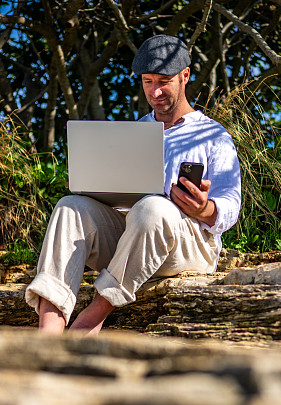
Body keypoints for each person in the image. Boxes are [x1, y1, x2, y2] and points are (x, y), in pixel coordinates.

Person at [25, 35, 242, 335]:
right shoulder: (135, 131)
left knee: (153, 208)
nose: (156, 91)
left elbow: (231, 205)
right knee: (69, 208)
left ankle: (92, 317)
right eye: (148, 81)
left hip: (190, 246)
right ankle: (49, 329)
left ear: (185, 76)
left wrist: (205, 209)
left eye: (164, 81)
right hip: (135, 241)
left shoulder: (213, 136)